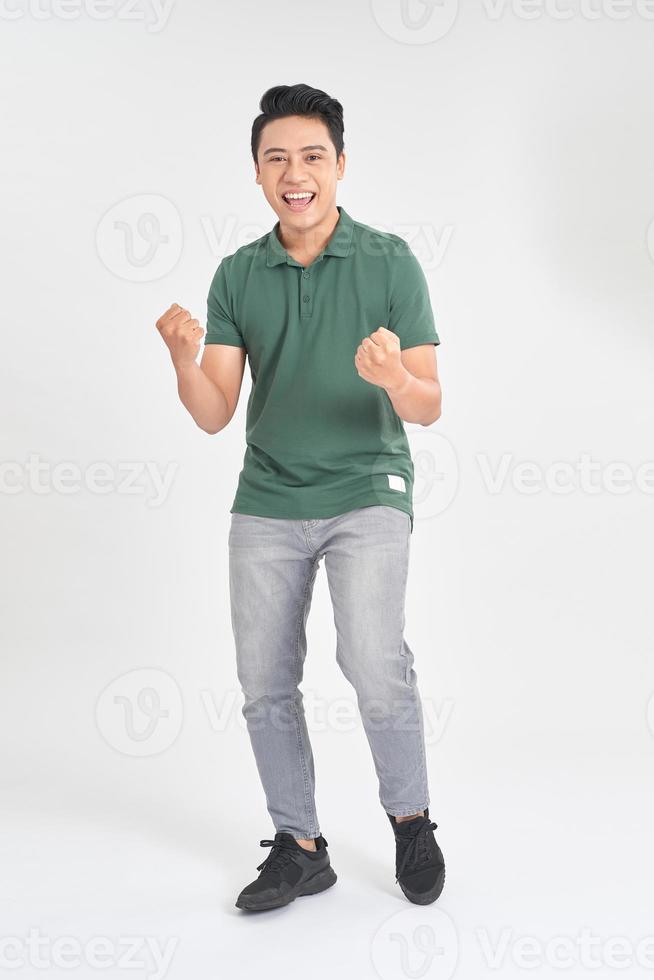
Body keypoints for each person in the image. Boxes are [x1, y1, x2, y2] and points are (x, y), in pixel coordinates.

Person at [155, 83, 446, 911]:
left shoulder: (391, 262)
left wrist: (394, 377)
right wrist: (182, 359)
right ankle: (300, 844)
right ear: (257, 174)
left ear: (340, 166)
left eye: (312, 156)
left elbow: (430, 402)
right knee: (263, 678)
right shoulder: (237, 275)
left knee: (372, 660)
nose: (296, 172)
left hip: (367, 489)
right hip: (268, 497)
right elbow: (215, 413)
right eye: (276, 157)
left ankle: (411, 820)